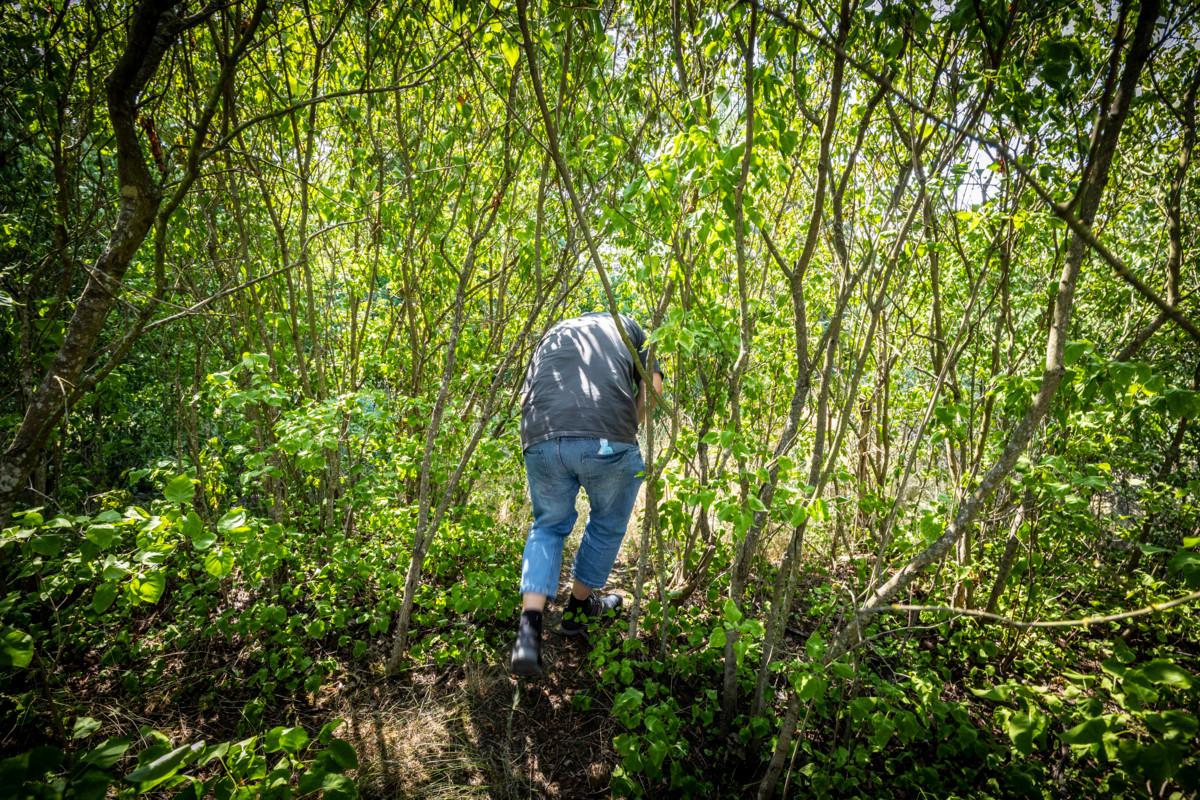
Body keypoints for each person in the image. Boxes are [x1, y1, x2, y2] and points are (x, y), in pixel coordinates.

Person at [509, 312, 664, 676]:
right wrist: (630, 425)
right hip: (606, 439)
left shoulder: (553, 333)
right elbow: (653, 388)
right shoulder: (629, 328)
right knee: (607, 523)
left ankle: (528, 633)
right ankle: (578, 609)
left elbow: (525, 397)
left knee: (547, 524)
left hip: (540, 435)